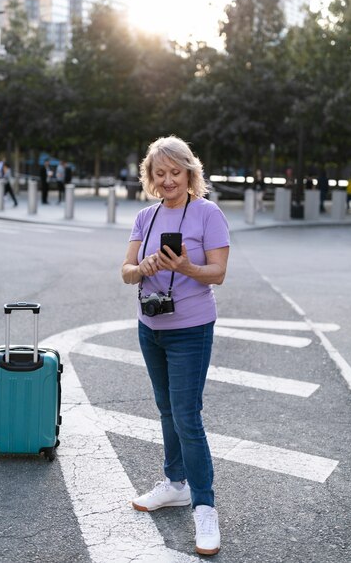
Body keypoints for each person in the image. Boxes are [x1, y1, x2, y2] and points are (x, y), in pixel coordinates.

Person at [121, 136, 230, 556]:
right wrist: (143, 267)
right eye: (159, 173)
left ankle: (204, 505)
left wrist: (185, 266)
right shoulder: (145, 218)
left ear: (190, 173)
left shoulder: (207, 213)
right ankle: (175, 484)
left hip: (191, 329)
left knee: (187, 415)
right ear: (151, 177)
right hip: (150, 326)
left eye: (175, 172)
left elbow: (218, 273)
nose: (168, 180)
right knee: (166, 409)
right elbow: (126, 270)